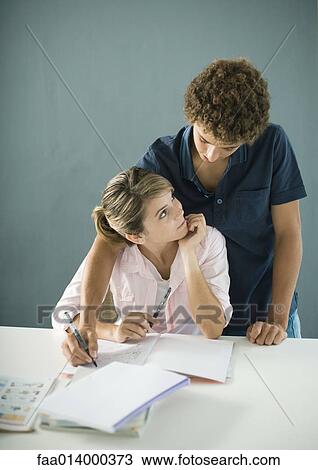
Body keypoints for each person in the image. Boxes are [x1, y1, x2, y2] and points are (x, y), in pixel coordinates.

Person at [69, 57, 307, 355]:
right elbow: (110, 239)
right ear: (192, 116)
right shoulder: (161, 159)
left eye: (229, 148)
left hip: (263, 310)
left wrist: (277, 319)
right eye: (204, 139)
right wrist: (88, 323)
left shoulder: (273, 144)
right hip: (196, 323)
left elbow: (289, 234)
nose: (211, 154)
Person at [52, 167, 232, 366]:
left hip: (196, 362)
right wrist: (114, 331)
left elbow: (213, 329)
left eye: (171, 197)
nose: (179, 209)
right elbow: (63, 314)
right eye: (163, 213)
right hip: (138, 365)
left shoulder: (208, 241)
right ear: (136, 236)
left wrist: (189, 254)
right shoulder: (116, 250)